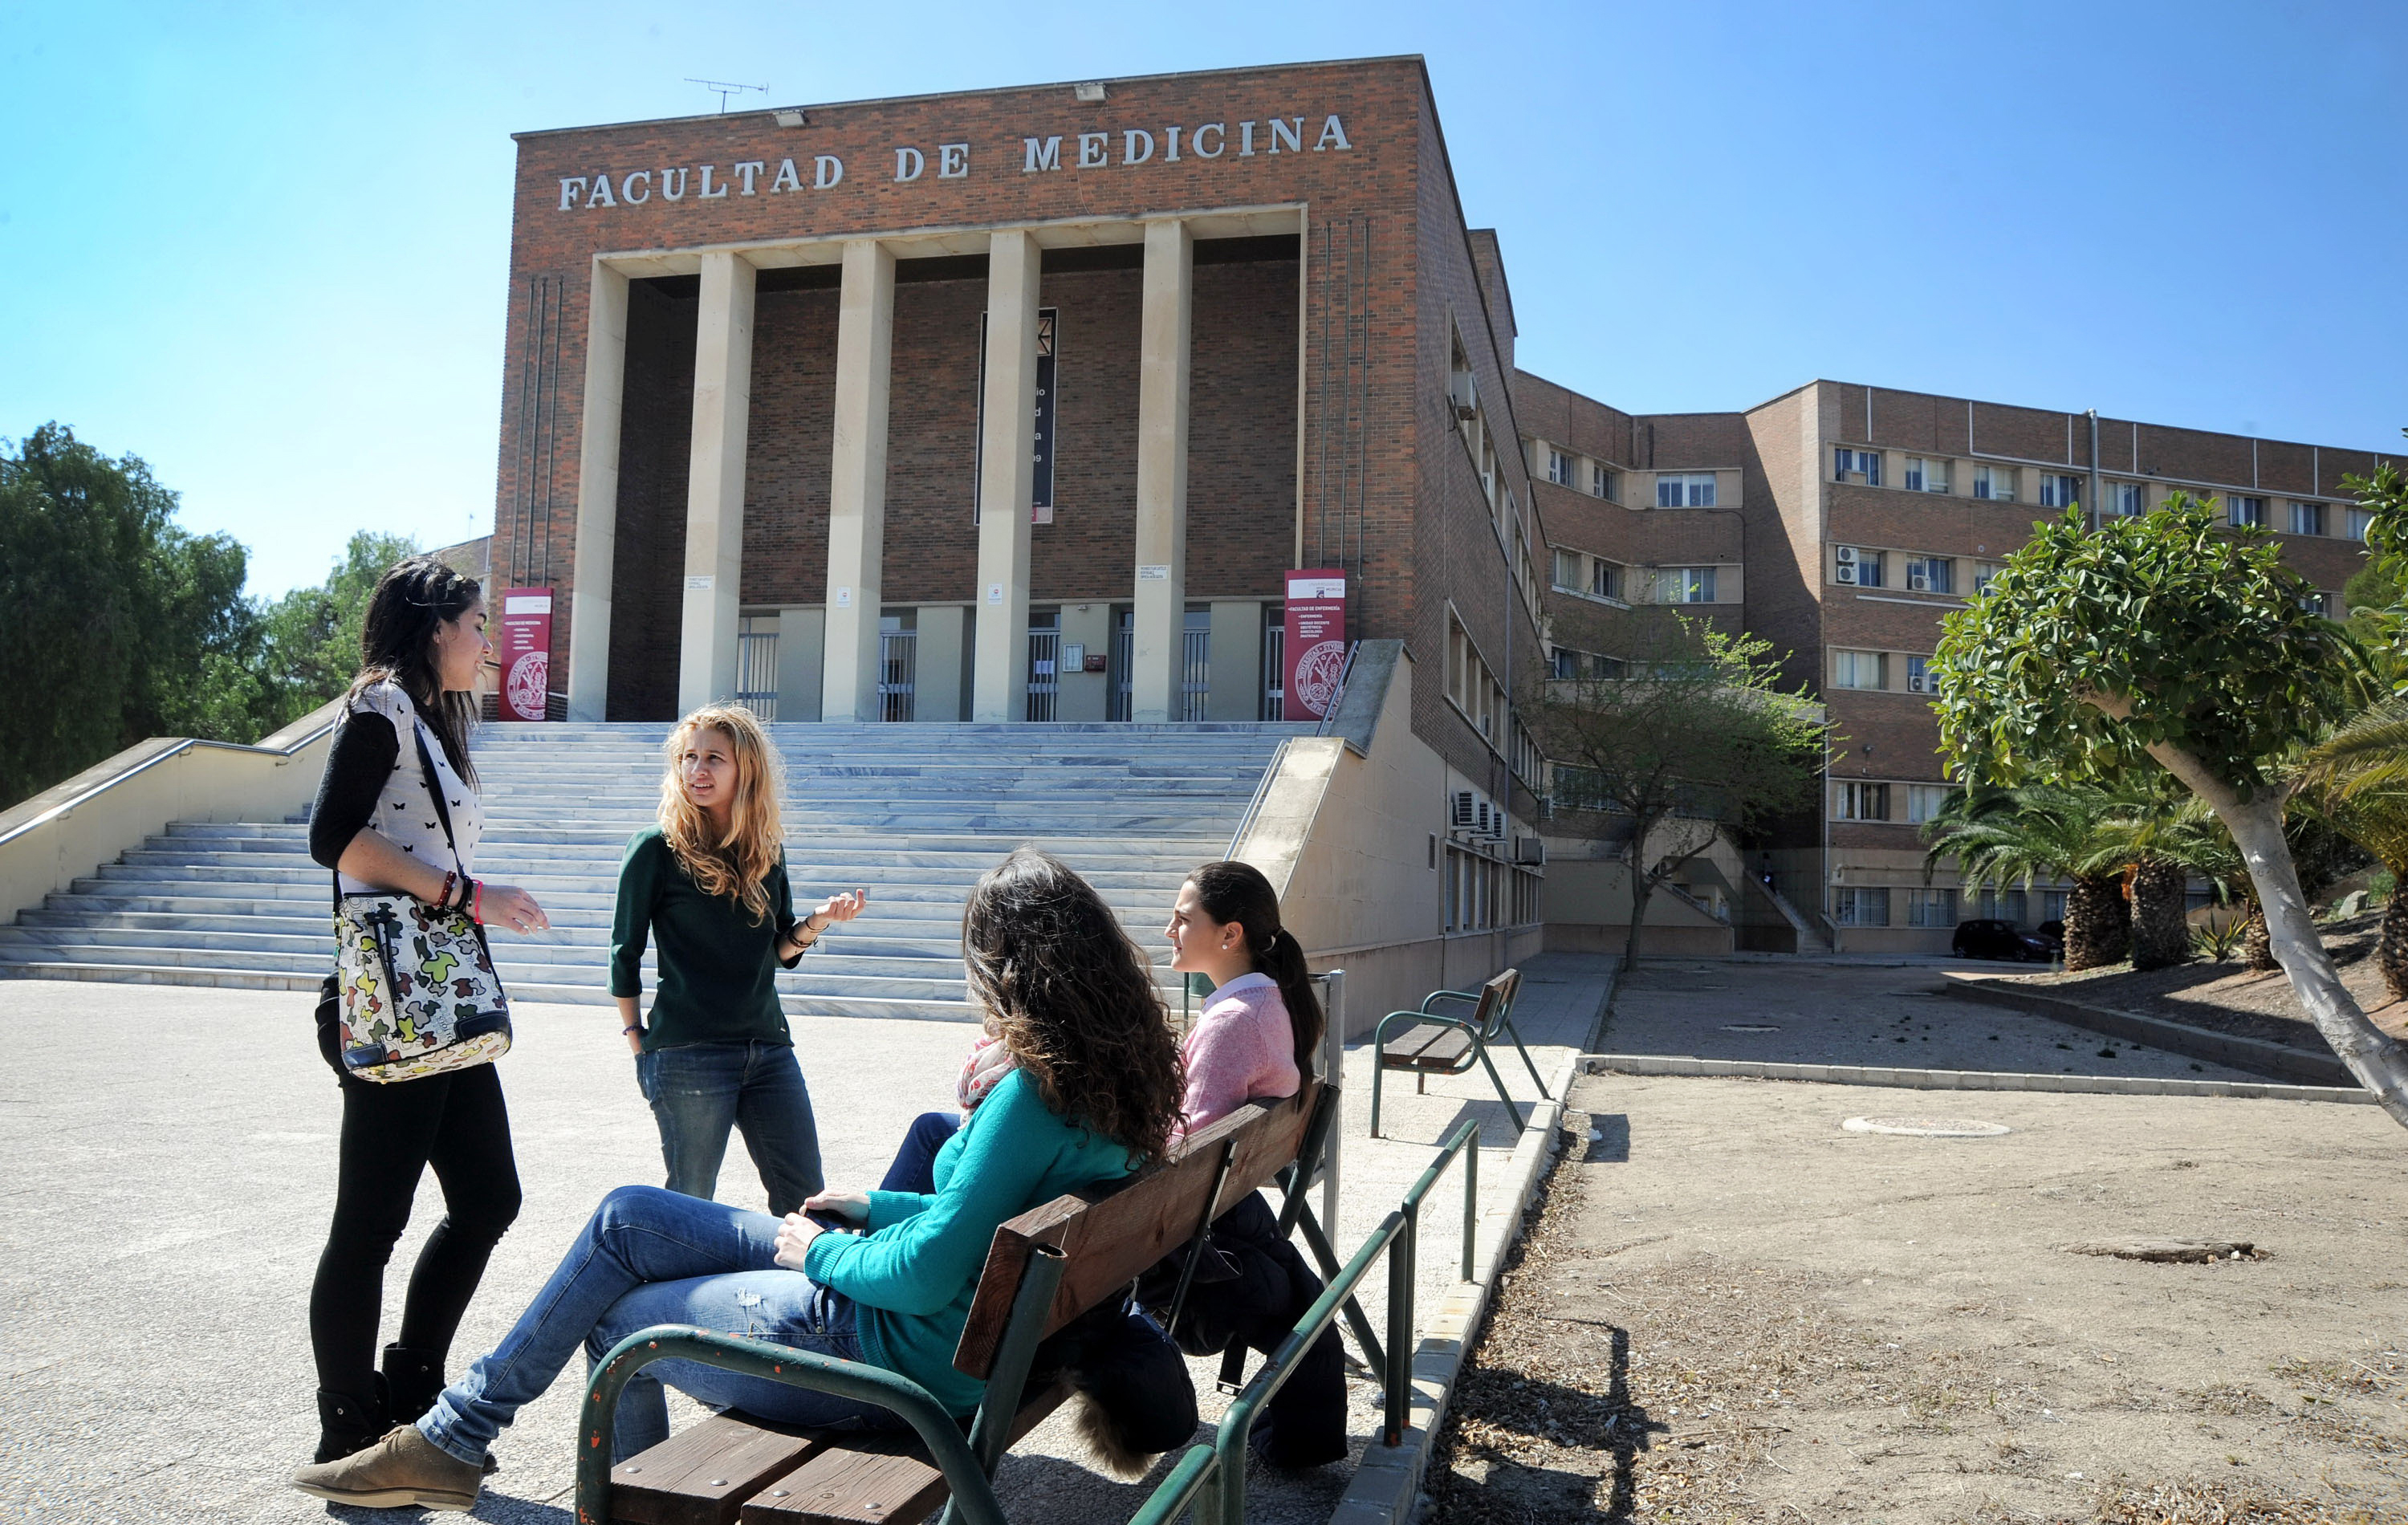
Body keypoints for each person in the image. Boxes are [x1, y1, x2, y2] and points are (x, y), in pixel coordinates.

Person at [289, 848, 1190, 1511]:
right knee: (624, 1220)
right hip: (949, 1337)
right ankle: (451, 1434)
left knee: (613, 1319)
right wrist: (874, 1205)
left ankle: (485, 1455)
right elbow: (986, 1221)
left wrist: (827, 1250)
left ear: (1013, 966)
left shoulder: (1034, 1091)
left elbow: (925, 1273)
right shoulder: (1113, 1081)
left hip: (886, 1353)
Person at [301, 555, 551, 1464]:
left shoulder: (431, 722)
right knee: (369, 1223)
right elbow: (333, 837)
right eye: (478, 625)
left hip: (439, 1004)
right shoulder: (379, 705)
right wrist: (466, 893)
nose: (487, 645)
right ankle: (347, 1422)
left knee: (490, 1197)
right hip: (390, 1002)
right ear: (435, 626)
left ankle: (410, 1388)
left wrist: (473, 895)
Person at [612, 704, 865, 1216]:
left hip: (768, 1049)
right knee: (691, 1204)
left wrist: (817, 922)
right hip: (688, 1051)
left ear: (745, 769)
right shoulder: (655, 848)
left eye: (714, 759)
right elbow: (625, 950)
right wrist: (637, 1038)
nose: (697, 771)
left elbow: (779, 950)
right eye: (689, 757)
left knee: (806, 1200)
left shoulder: (765, 851)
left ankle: (803, 1294)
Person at [1147, 859, 1349, 1469]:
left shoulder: (1235, 1019)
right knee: (1296, 1306)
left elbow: (1182, 1149)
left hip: (1191, 1231)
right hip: (1232, 1207)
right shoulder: (1265, 1002)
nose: (1169, 930)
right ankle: (1298, 1438)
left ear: (1230, 935)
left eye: (1183, 919)